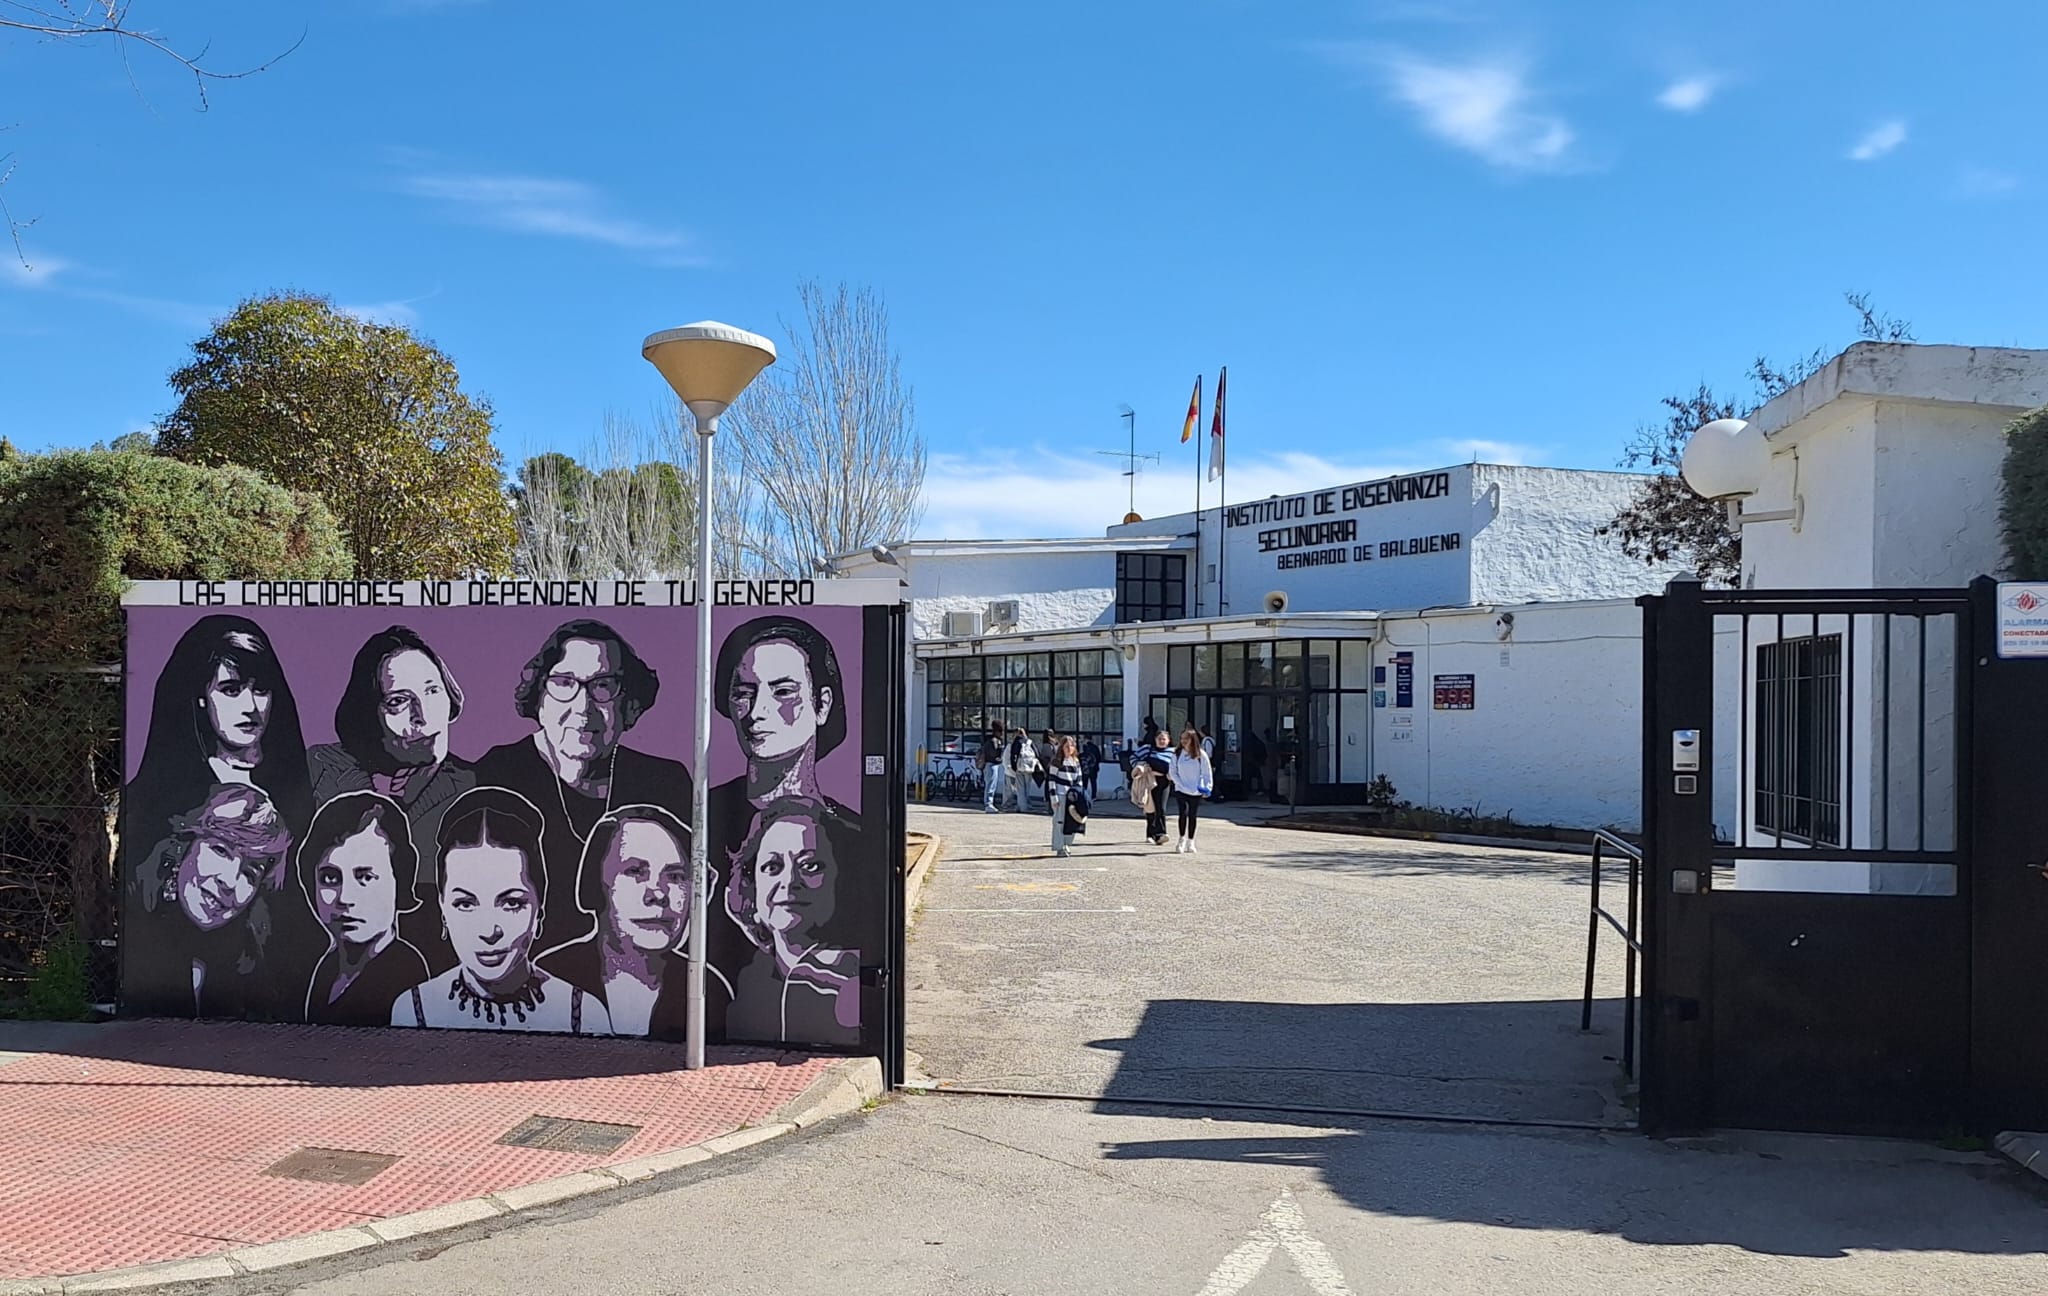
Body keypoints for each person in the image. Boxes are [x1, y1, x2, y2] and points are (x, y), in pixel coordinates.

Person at [471, 620, 693, 955]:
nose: (583, 706)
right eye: (565, 683)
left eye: (603, 686)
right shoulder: (498, 775)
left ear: (628, 704)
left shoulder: (664, 782)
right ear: (539, 697)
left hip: (634, 985)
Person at [392, 786, 612, 1034]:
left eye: (511, 903)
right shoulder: (413, 1009)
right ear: (443, 908)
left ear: (539, 906)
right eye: (465, 904)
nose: (489, 931)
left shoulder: (584, 1015)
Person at [126, 616, 313, 869]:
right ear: (201, 698)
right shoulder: (156, 798)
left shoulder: (301, 788)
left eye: (261, 689)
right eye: (231, 690)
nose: (250, 707)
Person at [541, 804, 734, 1040]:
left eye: (675, 876)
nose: (658, 893)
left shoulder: (708, 988)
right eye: (635, 871)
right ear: (596, 883)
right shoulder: (554, 976)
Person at [307, 627, 476, 888]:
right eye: (398, 701)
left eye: (432, 691)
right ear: (368, 715)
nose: (423, 715)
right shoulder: (320, 770)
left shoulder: (474, 789)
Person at [123, 783, 294, 1020]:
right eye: (221, 851)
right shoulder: (137, 918)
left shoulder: (254, 963)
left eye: (250, 873)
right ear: (185, 845)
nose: (230, 881)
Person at [724, 798, 862, 1046]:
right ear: (751, 888)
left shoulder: (853, 977)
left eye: (810, 865)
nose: (789, 881)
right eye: (772, 866)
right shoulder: (749, 981)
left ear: (838, 879)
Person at [298, 791, 431, 1026]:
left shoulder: (406, 979)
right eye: (330, 878)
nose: (345, 898)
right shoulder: (328, 968)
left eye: (366, 877)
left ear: (399, 879)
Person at [1170, 727, 1216, 854]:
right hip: (1181, 789)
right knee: (1182, 813)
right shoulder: (1177, 753)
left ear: (1193, 739)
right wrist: (1179, 784)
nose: (1183, 741)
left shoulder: (1201, 754)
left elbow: (1207, 772)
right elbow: (1173, 771)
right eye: (1182, 738)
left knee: (1192, 815)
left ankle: (1191, 841)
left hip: (1195, 790)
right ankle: (1181, 839)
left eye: (1186, 738)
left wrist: (1208, 788)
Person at [1044, 735, 1087, 857]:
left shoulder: (1076, 762)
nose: (1069, 748)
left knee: (1072, 822)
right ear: (1061, 747)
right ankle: (1059, 846)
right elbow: (1051, 780)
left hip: (1072, 797)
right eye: (1067, 746)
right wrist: (1053, 797)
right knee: (1059, 822)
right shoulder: (1056, 762)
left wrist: (1079, 796)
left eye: (1071, 746)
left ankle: (1067, 844)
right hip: (1060, 794)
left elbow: (1079, 781)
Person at [1133, 727, 1174, 846]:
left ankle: (1161, 834)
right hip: (1149, 780)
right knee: (1150, 808)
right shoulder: (1147, 749)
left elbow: (1177, 766)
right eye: (1159, 739)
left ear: (1168, 740)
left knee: (1161, 808)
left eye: (1164, 739)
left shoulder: (1173, 752)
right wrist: (1140, 767)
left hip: (1164, 781)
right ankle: (1150, 834)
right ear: (1155, 740)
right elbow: (1134, 758)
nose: (1162, 741)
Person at [1005, 726, 1040, 813]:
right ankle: (1025, 805)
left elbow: (1013, 755)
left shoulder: (1017, 742)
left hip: (1020, 767)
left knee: (1020, 788)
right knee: (1027, 788)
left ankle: (1022, 807)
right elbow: (1037, 753)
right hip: (1029, 767)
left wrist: (1014, 767)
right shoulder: (1029, 742)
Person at [978, 721, 1008, 814]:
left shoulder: (989, 740)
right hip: (991, 764)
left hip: (991, 765)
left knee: (991, 784)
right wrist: (1001, 754)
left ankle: (989, 803)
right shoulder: (993, 741)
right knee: (990, 785)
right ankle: (988, 804)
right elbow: (994, 755)